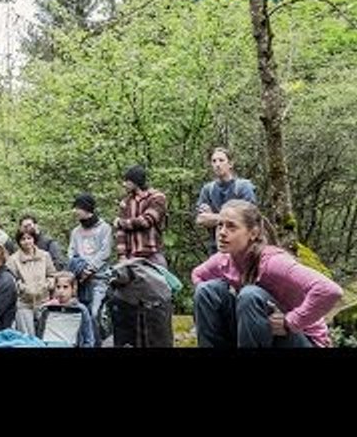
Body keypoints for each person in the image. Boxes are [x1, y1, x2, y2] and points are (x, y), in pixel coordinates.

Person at [192, 199, 343, 348]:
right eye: (220, 225)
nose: (222, 233)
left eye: (231, 227)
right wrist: (227, 292)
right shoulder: (223, 259)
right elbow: (198, 275)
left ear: (253, 233)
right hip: (261, 334)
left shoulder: (273, 262)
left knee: (250, 295)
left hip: (304, 339)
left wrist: (290, 322)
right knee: (206, 291)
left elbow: (329, 290)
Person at [196, 147, 257, 257]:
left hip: (241, 248)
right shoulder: (208, 189)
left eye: (221, 160)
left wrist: (212, 217)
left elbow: (249, 218)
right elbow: (201, 219)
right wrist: (232, 219)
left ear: (230, 164)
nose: (217, 164)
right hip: (216, 248)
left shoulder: (243, 187)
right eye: (214, 161)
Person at [66, 193, 111, 337]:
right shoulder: (75, 231)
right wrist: (79, 270)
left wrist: (90, 269)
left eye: (77, 207)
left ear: (86, 208)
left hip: (98, 279)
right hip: (79, 280)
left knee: (94, 313)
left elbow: (105, 252)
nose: (74, 211)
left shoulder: (104, 228)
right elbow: (71, 252)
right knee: (79, 314)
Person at [5, 226, 56, 336]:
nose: (26, 241)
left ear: (34, 239)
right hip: (24, 303)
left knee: (45, 334)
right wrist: (23, 288)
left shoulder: (45, 255)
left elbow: (52, 275)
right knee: (27, 336)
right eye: (23, 239)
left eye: (29, 238)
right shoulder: (13, 260)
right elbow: (11, 280)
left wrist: (47, 285)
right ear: (19, 242)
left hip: (44, 301)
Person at [114, 165, 168, 268]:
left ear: (135, 181)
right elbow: (120, 232)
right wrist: (122, 256)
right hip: (131, 257)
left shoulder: (157, 197)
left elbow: (146, 221)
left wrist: (121, 222)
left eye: (127, 181)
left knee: (160, 282)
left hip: (153, 255)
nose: (124, 184)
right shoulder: (126, 202)